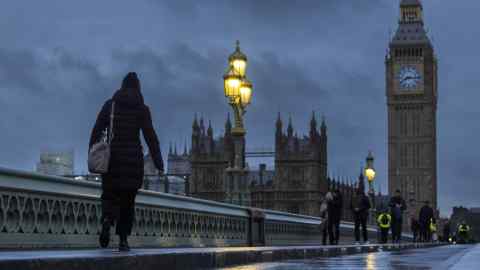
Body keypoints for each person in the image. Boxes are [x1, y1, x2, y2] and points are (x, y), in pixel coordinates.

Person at [89, 72, 164, 251]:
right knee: (127, 202)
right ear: (138, 88)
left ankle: (107, 219)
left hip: (112, 160)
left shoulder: (110, 105)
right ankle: (123, 240)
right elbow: (150, 137)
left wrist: (92, 150)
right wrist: (159, 162)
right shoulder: (142, 109)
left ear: (121, 87)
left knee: (109, 195)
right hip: (133, 161)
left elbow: (97, 129)